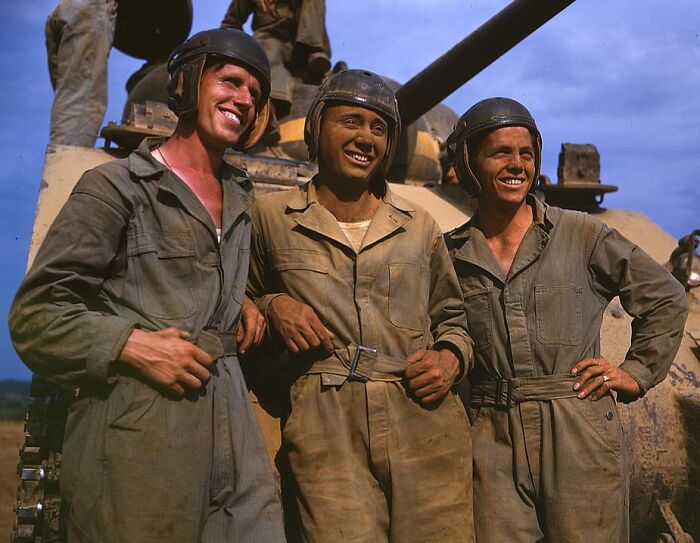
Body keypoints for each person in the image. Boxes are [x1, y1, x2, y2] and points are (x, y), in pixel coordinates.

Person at [10, 28, 285, 542]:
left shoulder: (242, 197)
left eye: (255, 92)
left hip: (235, 431)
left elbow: (200, 277)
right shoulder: (117, 188)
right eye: (230, 81)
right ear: (185, 85)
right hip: (141, 428)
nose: (244, 99)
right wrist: (132, 346)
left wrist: (248, 298)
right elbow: (36, 316)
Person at [444, 97, 688, 542]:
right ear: (468, 162)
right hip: (489, 433)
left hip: (576, 427)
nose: (517, 164)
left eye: (526, 153)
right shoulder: (450, 253)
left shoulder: (580, 234)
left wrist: (635, 372)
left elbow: (666, 297)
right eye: (500, 152)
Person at [248, 69, 475, 542]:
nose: (365, 138)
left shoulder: (419, 225)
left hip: (424, 419)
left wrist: (451, 358)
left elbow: (453, 318)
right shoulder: (270, 217)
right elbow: (232, 298)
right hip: (325, 424)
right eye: (350, 121)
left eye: (379, 128)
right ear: (316, 127)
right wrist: (272, 305)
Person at [222, 0, 331, 122]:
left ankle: (313, 49)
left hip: (304, 47)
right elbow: (230, 22)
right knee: (267, 55)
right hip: (270, 37)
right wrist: (238, 53)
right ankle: (268, 112)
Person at [45, 0, 117, 146]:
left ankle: (63, 160)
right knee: (82, 99)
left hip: (70, 9)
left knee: (70, 93)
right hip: (92, 11)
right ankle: (67, 166)